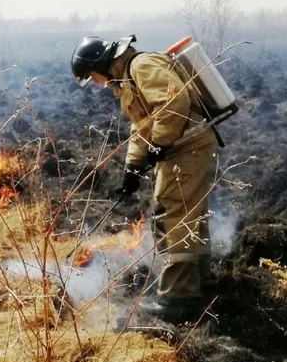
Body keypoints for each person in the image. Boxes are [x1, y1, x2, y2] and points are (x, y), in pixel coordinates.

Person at [71, 34, 217, 324]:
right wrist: (133, 169)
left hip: (188, 146)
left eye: (93, 76)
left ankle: (178, 299)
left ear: (100, 63)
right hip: (182, 147)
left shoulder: (142, 66)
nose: (97, 83)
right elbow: (143, 125)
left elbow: (174, 104)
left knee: (173, 214)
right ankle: (199, 281)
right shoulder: (127, 79)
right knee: (186, 212)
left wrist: (158, 145)